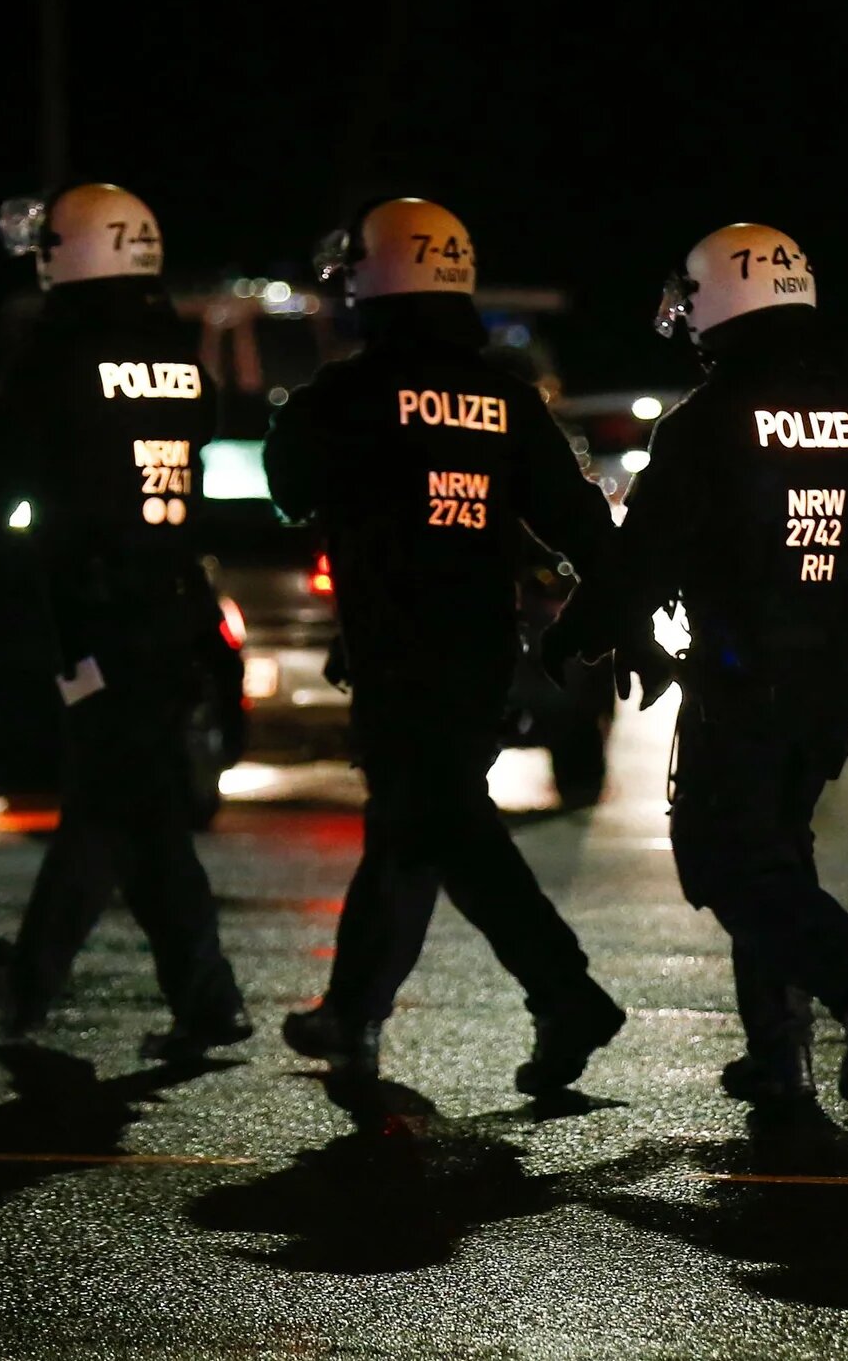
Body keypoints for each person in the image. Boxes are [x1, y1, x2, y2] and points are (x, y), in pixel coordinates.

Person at [540, 223, 848, 1131]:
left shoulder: (707, 423)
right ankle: (778, 1056)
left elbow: (641, 557)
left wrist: (584, 631)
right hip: (829, 676)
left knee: (724, 860)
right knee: (776, 854)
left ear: (720, 300)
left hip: (742, 676)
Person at [266, 198, 627, 1090]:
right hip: (477, 654)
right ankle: (352, 1010)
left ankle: (568, 993)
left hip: (398, 654)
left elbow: (287, 483)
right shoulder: (503, 395)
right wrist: (622, 605)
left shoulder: (349, 395)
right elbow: (578, 516)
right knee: (411, 829)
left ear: (376, 281)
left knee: (445, 828)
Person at [0, 183, 251, 1058]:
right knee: (140, 811)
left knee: (106, 808)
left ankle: (42, 978)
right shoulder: (180, 363)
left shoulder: (55, 362)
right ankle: (203, 998)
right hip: (171, 613)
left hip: (96, 621)